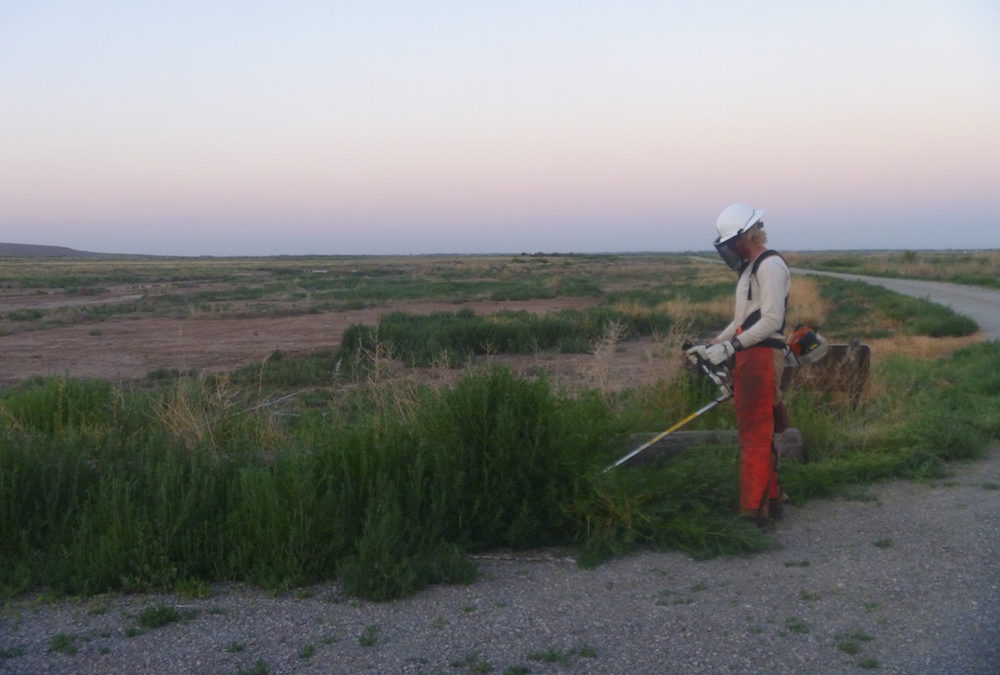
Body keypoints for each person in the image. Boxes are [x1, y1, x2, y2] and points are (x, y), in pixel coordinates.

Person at [686, 203, 790, 527]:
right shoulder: (749, 267)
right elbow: (741, 319)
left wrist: (732, 345)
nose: (730, 249)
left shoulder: (770, 266)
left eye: (732, 242)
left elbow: (772, 320)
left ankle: (753, 514)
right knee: (757, 431)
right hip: (748, 354)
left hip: (762, 355)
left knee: (755, 434)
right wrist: (713, 345)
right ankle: (771, 501)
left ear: (746, 235)